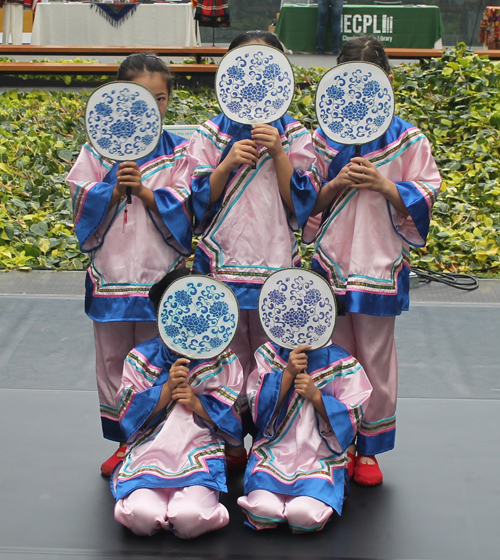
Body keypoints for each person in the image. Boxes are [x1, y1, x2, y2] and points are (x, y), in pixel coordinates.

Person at [307, 37, 442, 486]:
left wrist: (386, 186)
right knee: (333, 357)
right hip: (330, 264)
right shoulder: (320, 140)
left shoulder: (406, 137)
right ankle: (337, 441)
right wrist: (337, 183)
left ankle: (370, 449)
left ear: (387, 80)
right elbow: (307, 202)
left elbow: (425, 189)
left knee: (376, 359)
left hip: (379, 264)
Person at [187, 31, 320, 466]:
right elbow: (192, 201)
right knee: (224, 358)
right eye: (244, 63)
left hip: (275, 260)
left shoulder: (295, 133)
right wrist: (226, 163)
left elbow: (299, 203)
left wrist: (279, 152)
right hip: (222, 260)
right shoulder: (211, 131)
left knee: (273, 359)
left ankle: (269, 441)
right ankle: (228, 440)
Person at [67, 53, 192, 476]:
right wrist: (112, 189)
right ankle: (124, 441)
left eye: (160, 98)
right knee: (112, 362)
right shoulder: (95, 151)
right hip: (112, 275)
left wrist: (148, 192)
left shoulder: (180, 150)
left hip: (161, 277)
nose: (152, 107)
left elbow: (188, 208)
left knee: (159, 359)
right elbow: (81, 201)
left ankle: (159, 440)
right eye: (140, 97)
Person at [111, 269, 243, 539]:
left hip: (197, 453)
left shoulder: (223, 360)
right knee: (141, 518)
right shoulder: (140, 358)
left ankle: (189, 508)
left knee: (190, 520)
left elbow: (233, 420)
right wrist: (166, 389)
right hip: (150, 452)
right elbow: (127, 415)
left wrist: (196, 403)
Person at [237, 336, 372, 533]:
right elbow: (257, 406)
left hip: (319, 458)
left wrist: (317, 397)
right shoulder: (269, 354)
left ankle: (315, 494)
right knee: (263, 511)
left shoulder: (343, 363)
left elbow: (352, 415)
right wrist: (286, 375)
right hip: (273, 454)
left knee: (304, 517)